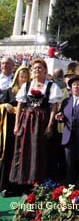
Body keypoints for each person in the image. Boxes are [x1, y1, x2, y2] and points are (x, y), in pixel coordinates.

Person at [10, 58, 63, 185]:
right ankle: (25, 180)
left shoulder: (51, 86)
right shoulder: (26, 86)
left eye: (40, 68)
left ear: (45, 70)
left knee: (41, 149)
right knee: (25, 148)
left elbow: (54, 107)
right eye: (35, 68)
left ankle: (42, 181)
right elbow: (20, 105)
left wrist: (50, 125)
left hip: (43, 121)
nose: (37, 70)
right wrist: (17, 125)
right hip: (27, 121)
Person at [0, 65, 30, 196]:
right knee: (9, 155)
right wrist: (4, 105)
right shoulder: (9, 91)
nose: (23, 79)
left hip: (26, 127)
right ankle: (5, 186)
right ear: (17, 77)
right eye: (21, 76)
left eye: (25, 77)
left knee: (22, 155)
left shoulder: (31, 92)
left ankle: (21, 186)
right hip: (10, 128)